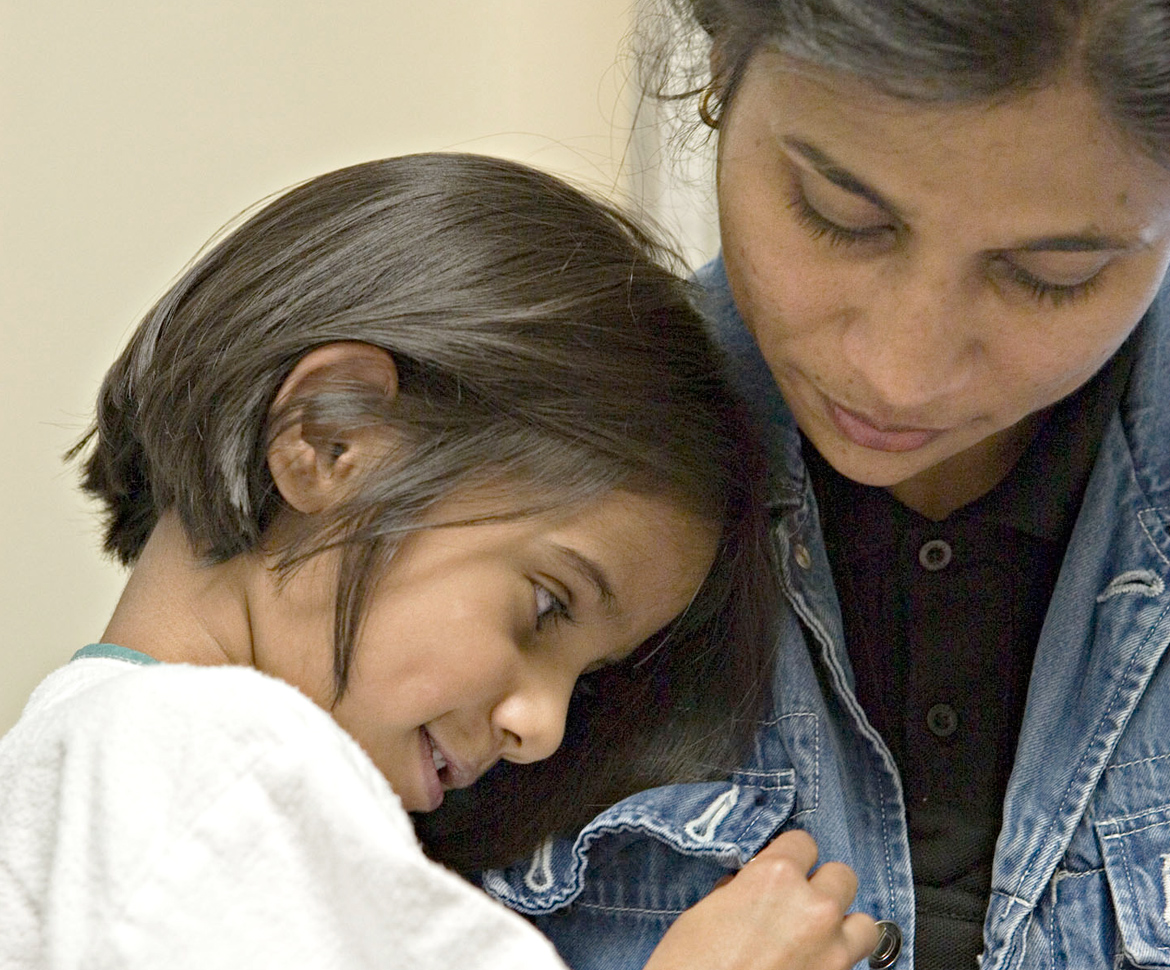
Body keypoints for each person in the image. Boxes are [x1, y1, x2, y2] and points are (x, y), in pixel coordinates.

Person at [0, 153, 879, 970]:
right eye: (546, 607)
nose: (542, 730)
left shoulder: (93, 765)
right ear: (331, 436)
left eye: (587, 675)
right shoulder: (213, 767)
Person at [464, 3, 1170, 969]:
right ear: (720, 64)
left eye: (1053, 273)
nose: (900, 375)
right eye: (843, 217)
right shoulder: (485, 476)